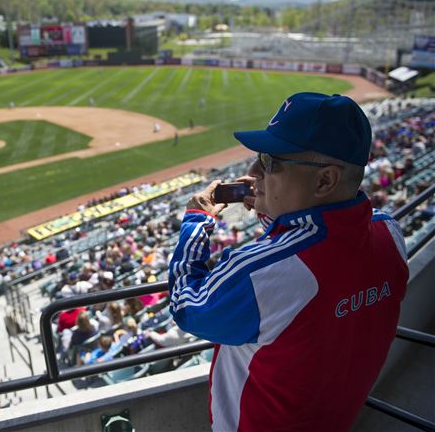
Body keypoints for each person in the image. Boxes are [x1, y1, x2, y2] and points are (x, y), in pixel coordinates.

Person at [168, 92, 409, 432]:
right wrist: (274, 212)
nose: (253, 171)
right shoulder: (390, 232)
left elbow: (186, 305)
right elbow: (323, 247)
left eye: (269, 161)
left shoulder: (265, 274)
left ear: (324, 180)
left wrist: (196, 220)